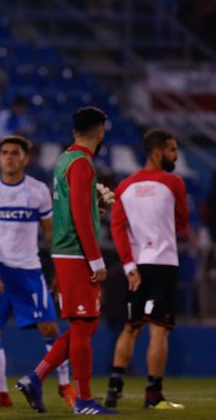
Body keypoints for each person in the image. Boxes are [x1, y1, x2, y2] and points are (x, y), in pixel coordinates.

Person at [16, 107, 116, 415]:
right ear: (100, 133)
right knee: (84, 325)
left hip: (65, 250)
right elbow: (79, 216)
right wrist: (96, 259)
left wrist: (92, 208)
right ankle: (83, 399)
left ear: (74, 131)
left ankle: (36, 378)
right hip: (75, 252)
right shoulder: (82, 164)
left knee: (85, 324)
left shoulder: (63, 159)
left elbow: (76, 209)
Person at [0, 135, 76, 408]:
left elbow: (51, 234)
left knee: (50, 327)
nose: (9, 157)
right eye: (4, 152)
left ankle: (65, 386)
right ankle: (0, 394)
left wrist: (58, 271)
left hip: (29, 271)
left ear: (25, 158)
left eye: (15, 153)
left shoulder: (38, 190)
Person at [105, 129, 189, 410]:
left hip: (136, 267)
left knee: (130, 328)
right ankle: (153, 396)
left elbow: (117, 227)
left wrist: (129, 265)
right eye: (172, 150)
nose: (175, 156)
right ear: (157, 152)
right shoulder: (173, 182)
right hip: (163, 264)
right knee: (159, 331)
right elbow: (182, 223)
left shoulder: (124, 186)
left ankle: (113, 390)